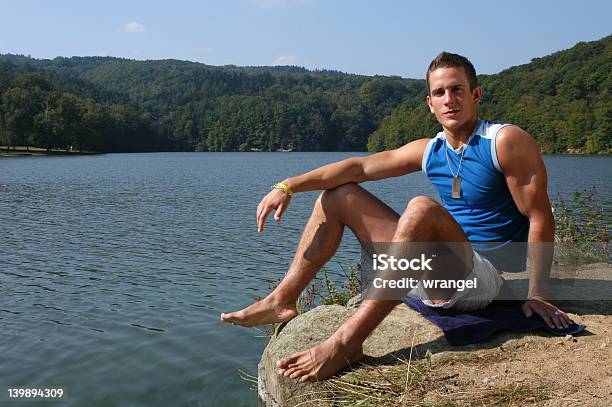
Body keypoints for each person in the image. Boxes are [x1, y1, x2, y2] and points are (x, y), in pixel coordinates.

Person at [220, 52, 573, 382]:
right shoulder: (431, 149)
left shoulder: (504, 141)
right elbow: (357, 166)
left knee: (420, 207)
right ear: (430, 103)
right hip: (435, 273)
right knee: (340, 194)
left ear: (475, 94)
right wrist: (288, 185)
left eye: (457, 89)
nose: (449, 99)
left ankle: (347, 343)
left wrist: (537, 293)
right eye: (440, 92)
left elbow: (540, 216)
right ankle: (282, 300)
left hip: (486, 279)